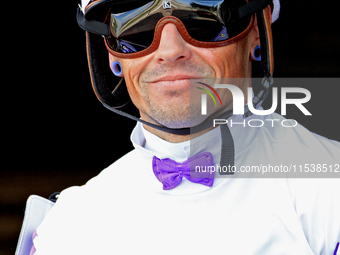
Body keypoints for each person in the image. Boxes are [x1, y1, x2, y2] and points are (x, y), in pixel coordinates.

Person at [28, 0, 340, 254]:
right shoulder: (69, 224)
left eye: (203, 17)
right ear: (112, 52)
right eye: (136, 25)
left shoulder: (329, 189)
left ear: (256, 30)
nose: (169, 51)